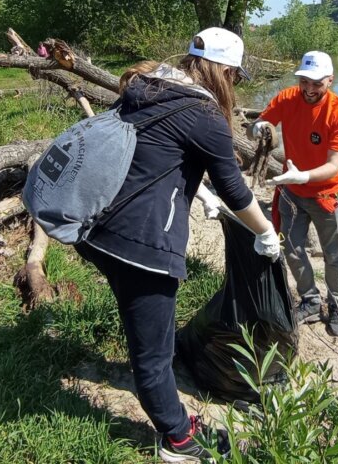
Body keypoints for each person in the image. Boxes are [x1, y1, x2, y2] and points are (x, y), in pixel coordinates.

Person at [74, 27, 279, 462]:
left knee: (145, 325)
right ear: (223, 70)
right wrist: (265, 232)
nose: (235, 84)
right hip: (137, 244)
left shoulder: (148, 87)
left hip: (94, 227)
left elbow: (152, 152)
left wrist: (195, 189)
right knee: (152, 354)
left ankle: (166, 398)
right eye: (235, 77)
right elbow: (236, 193)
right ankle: (178, 439)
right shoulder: (203, 114)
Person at [252, 50, 338, 338]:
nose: (309, 89)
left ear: (330, 80)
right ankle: (311, 300)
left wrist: (304, 176)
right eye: (305, 81)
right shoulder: (288, 98)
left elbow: (335, 165)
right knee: (292, 248)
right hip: (293, 194)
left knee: (333, 255)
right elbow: (263, 121)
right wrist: (259, 128)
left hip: (329, 195)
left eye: (317, 83)